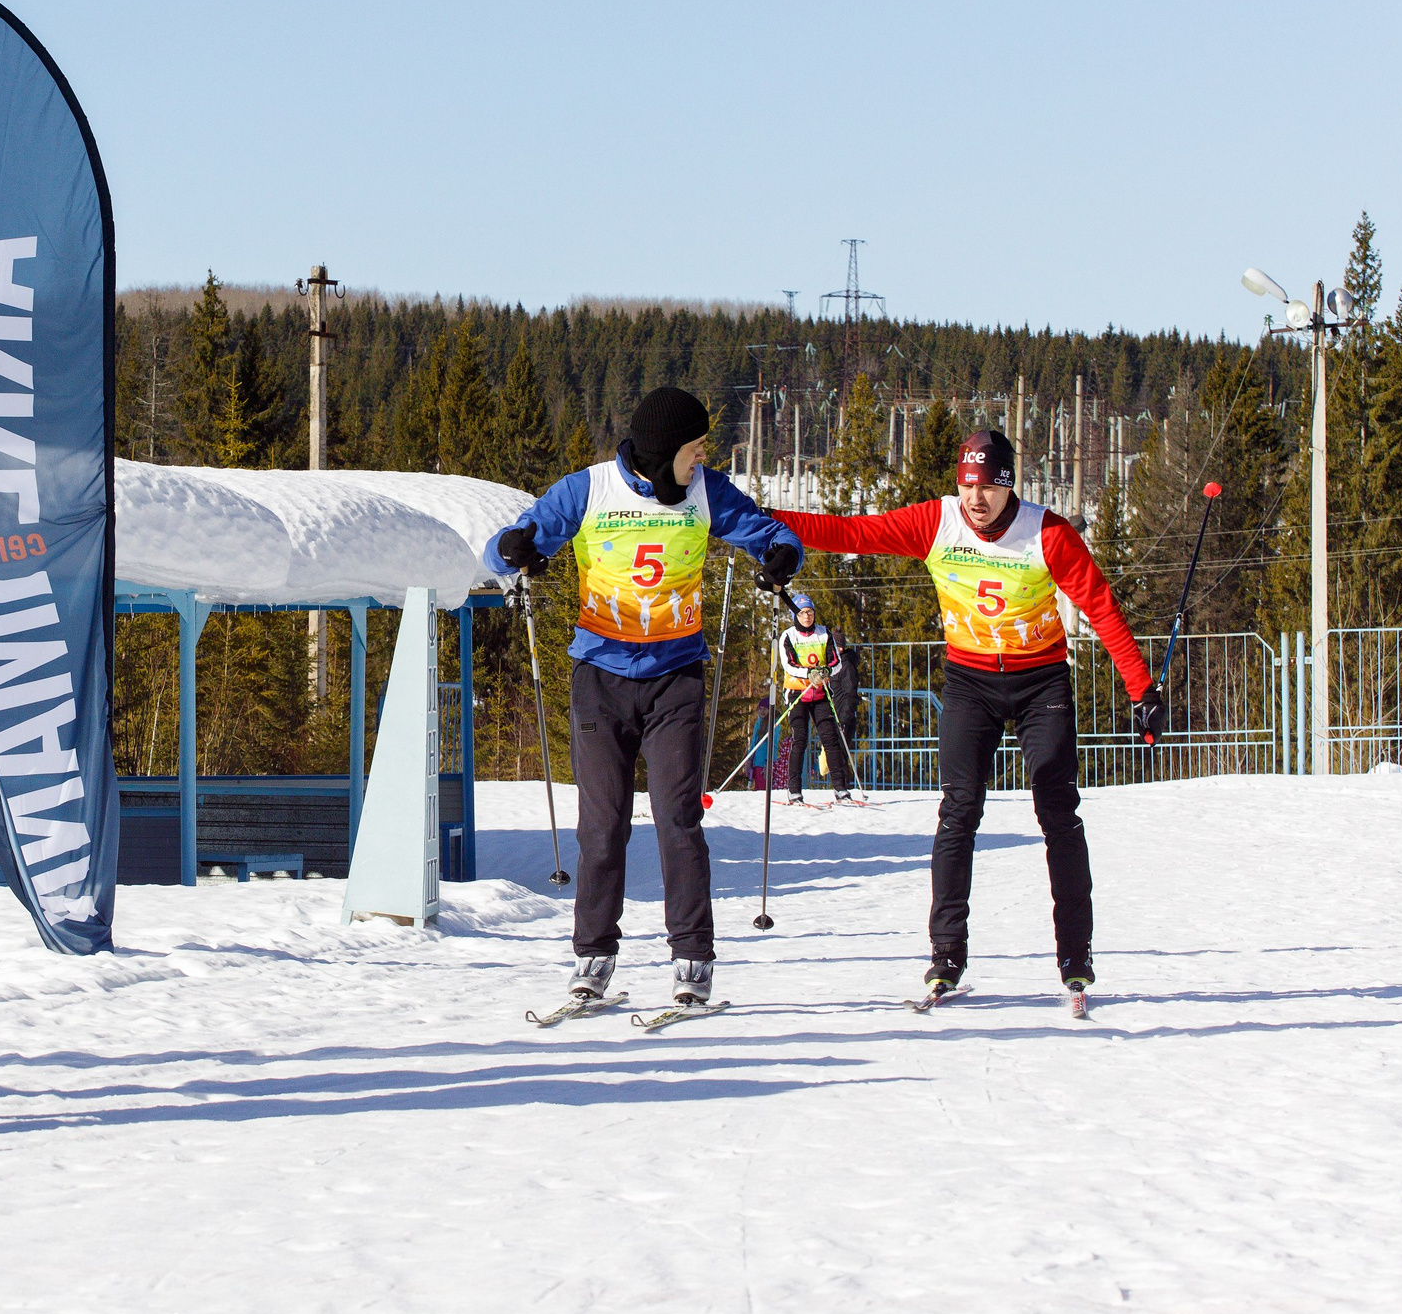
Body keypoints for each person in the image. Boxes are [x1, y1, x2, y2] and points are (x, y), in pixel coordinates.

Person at [774, 429, 1164, 1007]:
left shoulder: (1047, 532)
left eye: (987, 486)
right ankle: (946, 958)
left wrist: (1141, 689)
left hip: (1040, 682)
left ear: (1009, 486)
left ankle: (1075, 954)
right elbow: (855, 532)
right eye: (966, 484)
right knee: (958, 812)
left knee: (1058, 810)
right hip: (969, 683)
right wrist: (767, 519)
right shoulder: (939, 523)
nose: (974, 498)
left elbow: (1099, 606)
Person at [485, 386, 801, 1013]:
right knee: (601, 827)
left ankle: (693, 957)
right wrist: (513, 550)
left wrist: (781, 552)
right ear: (662, 453)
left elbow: (765, 531)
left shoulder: (705, 493)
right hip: (599, 677)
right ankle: (593, 956)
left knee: (678, 820)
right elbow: (512, 542)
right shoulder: (590, 490)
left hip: (675, 677)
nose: (701, 460)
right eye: (693, 450)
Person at [773, 591, 861, 808]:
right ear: (795, 615)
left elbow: (836, 662)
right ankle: (794, 790)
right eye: (802, 613)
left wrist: (824, 672)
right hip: (798, 693)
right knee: (799, 739)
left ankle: (841, 789)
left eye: (810, 613)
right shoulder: (788, 636)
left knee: (830, 739)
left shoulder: (824, 633)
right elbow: (788, 665)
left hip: (821, 693)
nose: (807, 617)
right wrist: (808, 674)